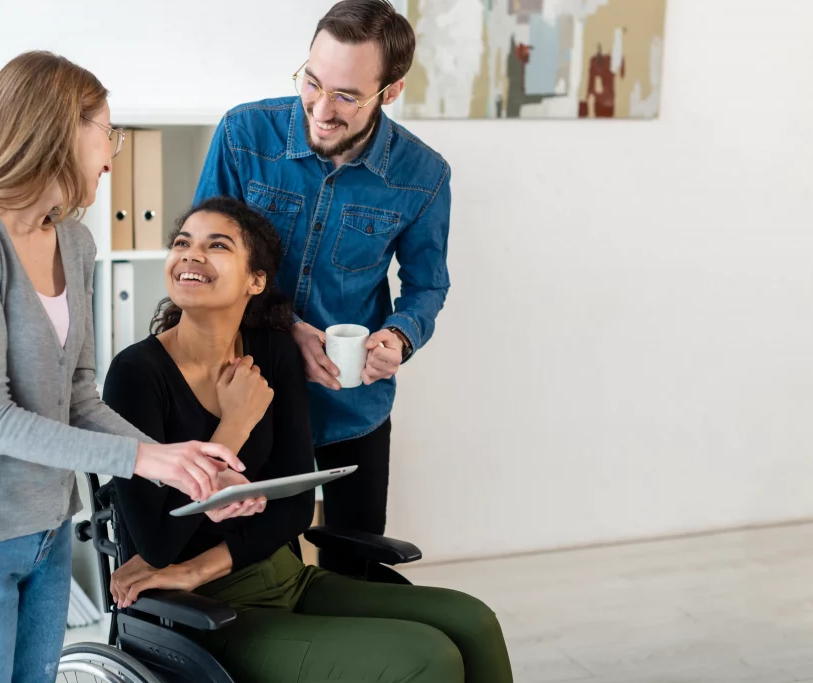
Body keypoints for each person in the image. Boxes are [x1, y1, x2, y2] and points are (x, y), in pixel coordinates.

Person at [0, 51, 246, 683]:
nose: (114, 150)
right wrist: (147, 461)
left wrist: (181, 467)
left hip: (49, 533)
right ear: (59, 128)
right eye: (106, 130)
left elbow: (78, 394)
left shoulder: (75, 242)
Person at [102, 197, 511, 683]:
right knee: (426, 656)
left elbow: (295, 506)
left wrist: (197, 567)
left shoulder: (273, 354)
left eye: (217, 245)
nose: (191, 255)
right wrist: (235, 424)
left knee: (473, 621)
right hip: (202, 611)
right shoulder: (136, 374)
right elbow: (157, 545)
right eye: (182, 243)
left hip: (283, 574)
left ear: (256, 280)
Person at [193, 0, 451, 575]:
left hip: (351, 409)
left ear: (390, 91)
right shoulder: (244, 134)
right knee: (263, 573)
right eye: (312, 82)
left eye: (346, 96)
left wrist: (399, 338)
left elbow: (428, 284)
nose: (321, 109)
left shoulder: (424, 176)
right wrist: (285, 325)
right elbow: (206, 262)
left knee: (356, 568)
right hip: (247, 395)